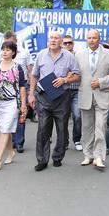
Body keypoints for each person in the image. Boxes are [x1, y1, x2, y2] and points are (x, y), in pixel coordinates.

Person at [29, 31, 81, 172]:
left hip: (62, 97)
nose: (53, 40)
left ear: (61, 41)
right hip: (43, 96)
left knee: (61, 129)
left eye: (56, 38)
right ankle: (42, 160)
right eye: (51, 38)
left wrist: (65, 80)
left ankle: (57, 157)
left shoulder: (69, 56)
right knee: (43, 129)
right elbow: (34, 75)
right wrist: (31, 94)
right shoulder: (41, 55)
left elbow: (77, 76)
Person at [75, 29, 109, 168]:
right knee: (87, 128)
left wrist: (101, 82)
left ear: (99, 39)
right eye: (89, 38)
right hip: (85, 95)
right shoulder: (79, 54)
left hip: (103, 95)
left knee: (100, 127)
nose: (92, 40)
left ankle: (98, 156)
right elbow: (76, 74)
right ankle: (88, 155)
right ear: (86, 39)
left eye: (94, 38)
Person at [0, 41, 26, 171]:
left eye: (8, 50)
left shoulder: (18, 68)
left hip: (12, 102)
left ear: (13, 52)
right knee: (5, 128)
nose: (5, 52)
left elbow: (22, 87)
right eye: (3, 49)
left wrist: (23, 105)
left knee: (5, 129)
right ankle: (11, 152)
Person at [2, 31, 33, 153]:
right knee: (8, 114)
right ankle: (10, 141)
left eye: (10, 42)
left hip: (22, 85)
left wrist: (30, 89)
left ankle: (19, 142)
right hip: (6, 86)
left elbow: (30, 70)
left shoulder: (24, 52)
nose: (7, 45)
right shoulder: (1, 54)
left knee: (21, 112)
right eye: (5, 42)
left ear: (15, 41)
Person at [61, 34, 82, 151]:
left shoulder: (79, 56)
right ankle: (64, 141)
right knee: (62, 117)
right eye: (65, 43)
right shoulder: (59, 57)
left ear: (73, 44)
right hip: (63, 91)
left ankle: (77, 139)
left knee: (77, 116)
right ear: (62, 44)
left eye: (70, 43)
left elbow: (81, 72)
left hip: (77, 90)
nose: (68, 45)